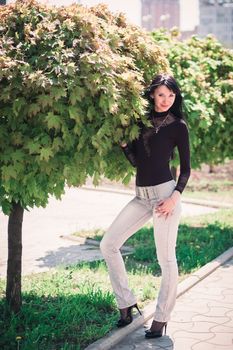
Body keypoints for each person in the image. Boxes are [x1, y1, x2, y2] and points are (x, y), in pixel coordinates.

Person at [100, 73, 191, 338]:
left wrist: (175, 197)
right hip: (141, 196)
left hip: (165, 196)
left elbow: (185, 170)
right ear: (152, 94)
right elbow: (138, 163)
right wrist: (125, 145)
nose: (166, 100)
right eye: (161, 94)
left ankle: (161, 318)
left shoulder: (178, 126)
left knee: (166, 259)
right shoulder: (139, 122)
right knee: (108, 244)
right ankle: (126, 303)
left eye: (171, 95)